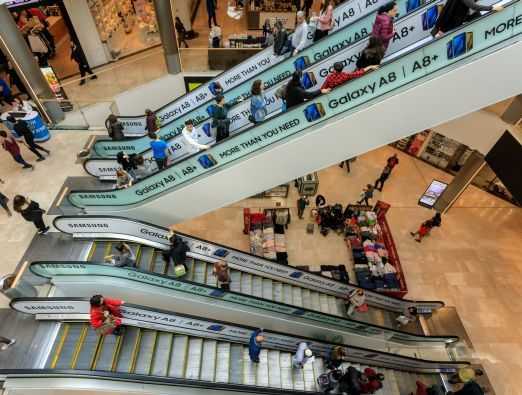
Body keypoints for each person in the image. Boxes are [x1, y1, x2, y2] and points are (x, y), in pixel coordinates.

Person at [432, 0, 502, 37]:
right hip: (446, 27)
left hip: (456, 19)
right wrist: (491, 8)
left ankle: (488, 33)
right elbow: (473, 6)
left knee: (477, 17)